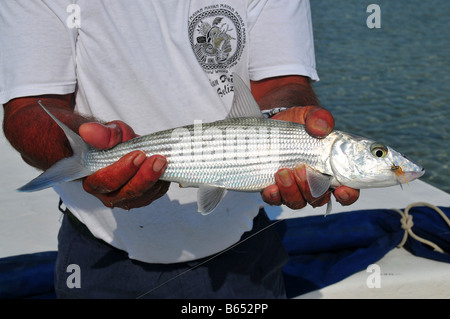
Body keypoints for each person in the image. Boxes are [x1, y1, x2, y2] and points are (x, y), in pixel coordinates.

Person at [1, 0, 359, 298]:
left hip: (245, 252)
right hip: (98, 255)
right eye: (376, 154)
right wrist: (86, 149)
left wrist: (284, 117)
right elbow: (27, 108)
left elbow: (282, 81)